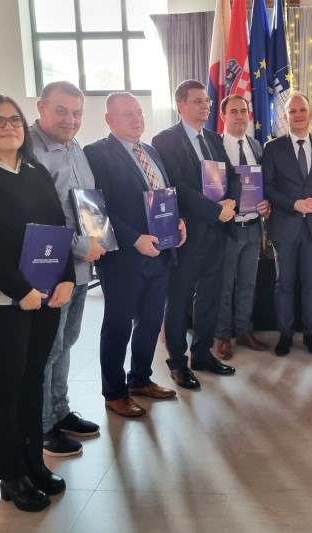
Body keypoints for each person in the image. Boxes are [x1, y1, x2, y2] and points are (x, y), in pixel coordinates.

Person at [0, 94, 75, 512]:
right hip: (4, 302)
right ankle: (11, 476)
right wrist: (20, 289)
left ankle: (33, 463)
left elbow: (58, 227)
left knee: (33, 381)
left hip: (45, 297)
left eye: (14, 120)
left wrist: (67, 277)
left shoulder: (35, 170)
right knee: (7, 390)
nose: (9, 127)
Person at [83, 93, 185, 416]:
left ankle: (140, 379)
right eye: (127, 113)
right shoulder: (96, 153)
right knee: (118, 326)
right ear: (109, 120)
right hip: (123, 259)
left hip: (160, 255)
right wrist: (134, 239)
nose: (136, 118)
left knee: (151, 323)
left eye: (138, 112)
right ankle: (114, 392)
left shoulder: (150, 151)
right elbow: (97, 209)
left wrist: (178, 221)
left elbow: (164, 197)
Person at [152, 80, 241, 389]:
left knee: (210, 297)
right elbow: (179, 186)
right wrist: (215, 210)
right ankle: (177, 362)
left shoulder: (214, 138)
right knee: (178, 299)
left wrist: (231, 204)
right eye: (198, 101)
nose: (205, 106)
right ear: (181, 105)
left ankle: (202, 354)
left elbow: (233, 177)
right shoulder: (165, 140)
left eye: (207, 101)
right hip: (187, 235)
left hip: (218, 232)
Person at [31, 81, 102, 456]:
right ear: (41, 107)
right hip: (50, 269)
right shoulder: (28, 152)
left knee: (67, 342)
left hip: (80, 268)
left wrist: (100, 239)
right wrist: (81, 245)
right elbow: (37, 216)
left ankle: (59, 411)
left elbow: (86, 205)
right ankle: (43, 425)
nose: (70, 119)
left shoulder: (75, 148)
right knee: (48, 348)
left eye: (77, 112)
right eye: (61, 110)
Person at [263, 92, 312, 356]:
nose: (298, 115)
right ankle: (285, 335)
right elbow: (268, 186)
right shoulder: (272, 148)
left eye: (302, 110)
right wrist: (293, 203)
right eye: (292, 111)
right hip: (285, 225)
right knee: (284, 284)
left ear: (311, 114)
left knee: (311, 284)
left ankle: (310, 334)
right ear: (285, 117)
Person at [215, 94, 271, 360]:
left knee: (248, 284)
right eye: (234, 111)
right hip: (227, 229)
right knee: (225, 286)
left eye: (243, 111)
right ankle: (223, 336)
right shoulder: (214, 146)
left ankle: (244, 330)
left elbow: (263, 185)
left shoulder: (256, 146)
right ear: (223, 116)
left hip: (252, 226)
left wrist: (266, 203)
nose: (239, 116)